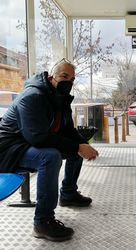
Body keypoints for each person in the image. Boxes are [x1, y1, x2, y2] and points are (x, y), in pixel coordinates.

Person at [0, 59, 99, 242]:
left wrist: (83, 145)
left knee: (76, 147)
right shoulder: (32, 96)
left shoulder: (60, 99)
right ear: (52, 76)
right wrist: (77, 146)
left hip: (28, 144)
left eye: (72, 79)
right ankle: (42, 222)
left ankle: (68, 193)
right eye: (64, 76)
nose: (68, 82)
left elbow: (68, 130)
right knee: (50, 157)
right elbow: (37, 137)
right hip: (9, 149)